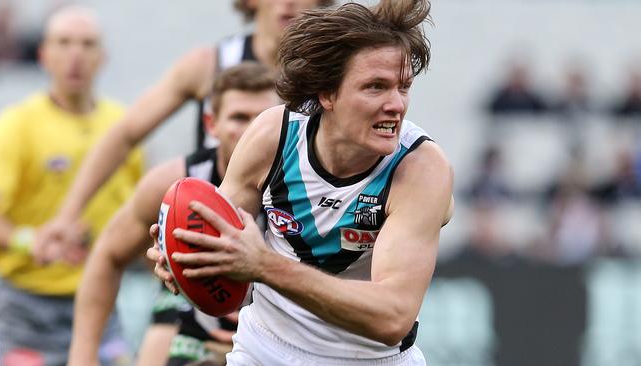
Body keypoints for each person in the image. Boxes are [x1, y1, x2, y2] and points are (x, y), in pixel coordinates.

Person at [149, 0, 454, 364]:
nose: (396, 105)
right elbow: (225, 253)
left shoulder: (419, 168)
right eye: (375, 87)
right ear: (326, 93)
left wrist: (263, 265)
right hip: (264, 350)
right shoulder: (272, 135)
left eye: (403, 87)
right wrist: (186, 263)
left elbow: (392, 317)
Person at [37, 0, 333, 258]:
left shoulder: (333, 79)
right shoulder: (210, 64)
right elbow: (125, 134)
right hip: (212, 241)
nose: (288, 2)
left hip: (295, 249)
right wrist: (68, 215)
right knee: (165, 321)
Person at [67, 63, 279, 366]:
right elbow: (108, 254)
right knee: (171, 309)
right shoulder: (173, 184)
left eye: (261, 119)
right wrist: (82, 357)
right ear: (211, 124)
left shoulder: (304, 185)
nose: (250, 130)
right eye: (239, 117)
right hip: (194, 313)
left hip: (279, 320)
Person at [0, 5, 142, 365]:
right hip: (26, 307)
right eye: (63, 43)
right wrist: (33, 241)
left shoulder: (124, 127)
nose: (75, 55)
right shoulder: (15, 126)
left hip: (101, 302)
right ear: (44, 55)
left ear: (102, 56)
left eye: (87, 44)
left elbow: (138, 214)